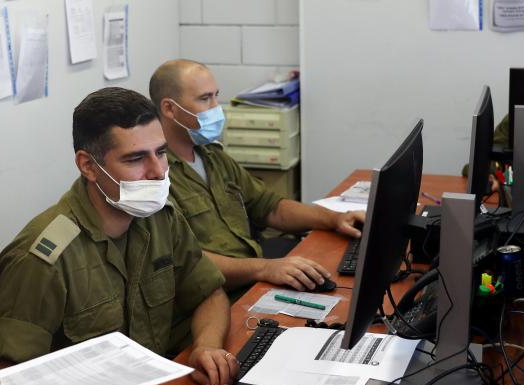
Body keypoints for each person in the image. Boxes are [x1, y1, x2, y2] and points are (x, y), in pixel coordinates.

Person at [0, 88, 236, 385]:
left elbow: (208, 291)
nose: (158, 172)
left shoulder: (159, 218)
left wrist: (207, 346)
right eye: (135, 159)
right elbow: (3, 382)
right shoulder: (43, 257)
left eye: (161, 152)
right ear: (88, 165)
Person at [149, 59, 364, 294]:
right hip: (216, 294)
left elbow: (270, 207)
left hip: (253, 278)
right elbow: (186, 261)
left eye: (215, 96)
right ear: (169, 108)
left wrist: (334, 219)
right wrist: (264, 268)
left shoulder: (213, 156)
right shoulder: (156, 176)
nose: (215, 107)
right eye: (204, 99)